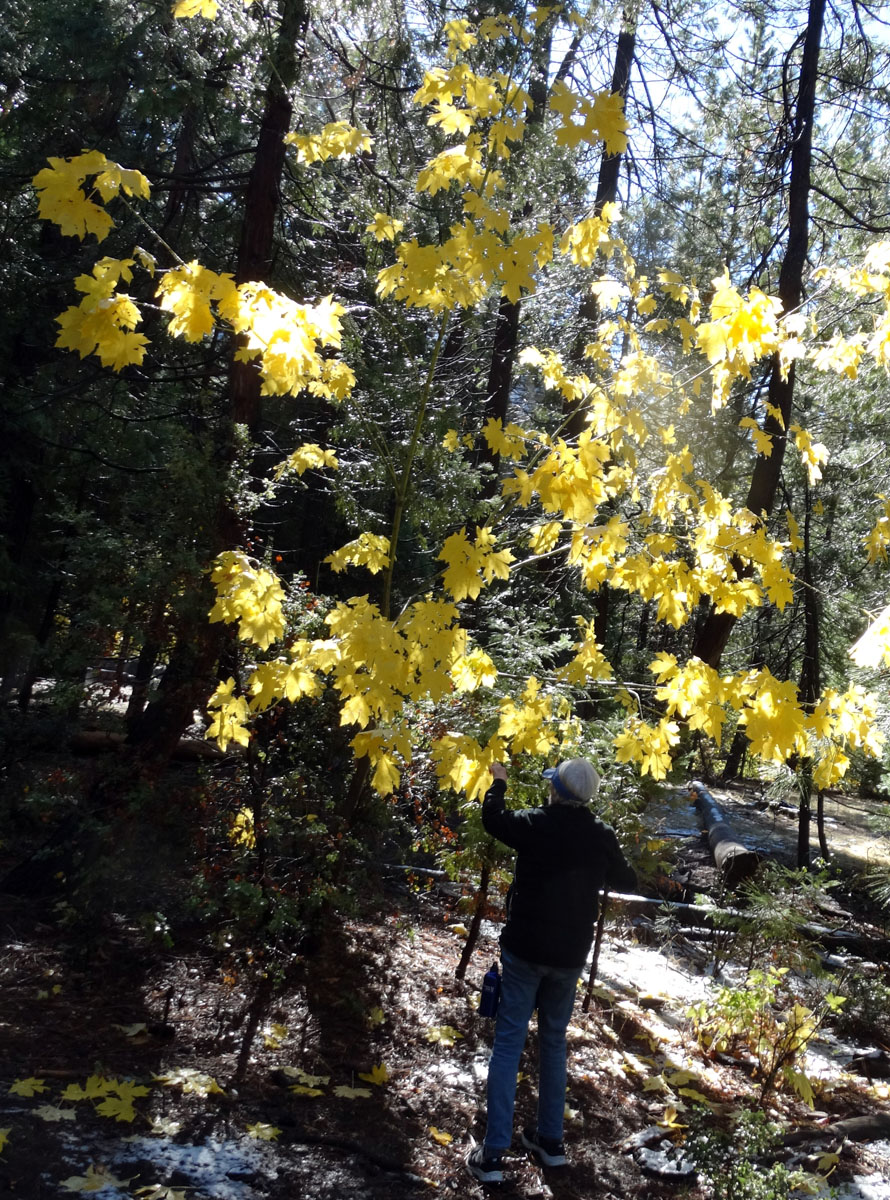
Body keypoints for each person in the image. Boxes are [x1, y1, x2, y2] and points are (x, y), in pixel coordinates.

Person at [467, 757, 636, 1184]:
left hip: (524, 951)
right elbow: (628, 880)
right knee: (554, 1044)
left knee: (509, 1043)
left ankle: (492, 1157)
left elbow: (494, 820)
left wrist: (499, 782)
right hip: (569, 956)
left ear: (556, 790)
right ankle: (550, 1142)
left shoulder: (536, 822)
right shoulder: (600, 835)